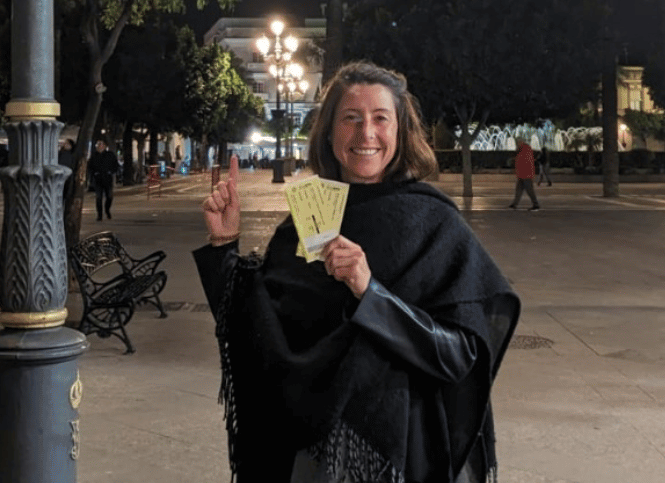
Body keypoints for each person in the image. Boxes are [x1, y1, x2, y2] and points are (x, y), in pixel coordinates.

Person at [196, 62, 520, 483]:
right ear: (329, 133)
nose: (366, 133)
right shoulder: (305, 220)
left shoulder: (434, 223)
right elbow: (261, 337)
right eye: (351, 118)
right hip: (312, 457)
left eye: (380, 118)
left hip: (404, 456)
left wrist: (370, 292)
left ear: (400, 131)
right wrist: (224, 246)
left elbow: (459, 356)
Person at [88, 138, 119, 221]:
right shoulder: (94, 156)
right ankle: (99, 215)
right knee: (99, 198)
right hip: (98, 179)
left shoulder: (110, 155)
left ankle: (107, 209)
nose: (99, 146)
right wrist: (94, 174)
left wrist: (111, 172)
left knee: (109, 196)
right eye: (98, 145)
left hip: (107, 179)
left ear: (105, 146)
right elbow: (90, 166)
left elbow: (115, 165)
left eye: (101, 144)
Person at [508, 139, 541, 210]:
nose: (516, 145)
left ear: (521, 143)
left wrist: (531, 174)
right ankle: (514, 204)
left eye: (517, 143)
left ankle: (536, 204)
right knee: (518, 190)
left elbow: (527, 163)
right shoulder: (522, 150)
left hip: (526, 175)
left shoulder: (525, 150)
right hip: (522, 175)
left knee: (530, 191)